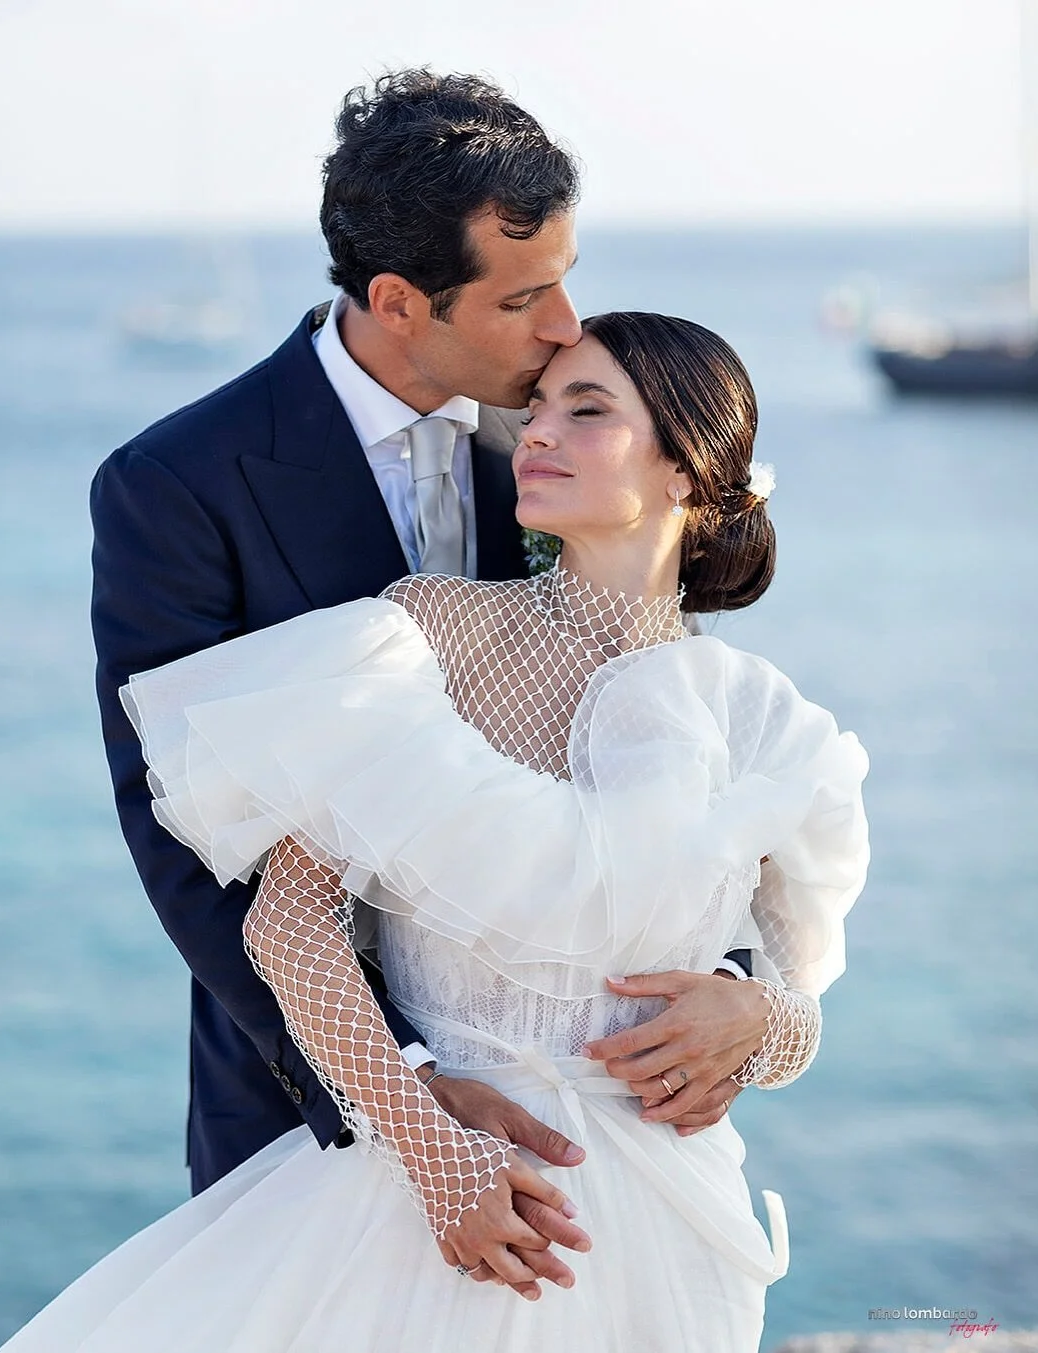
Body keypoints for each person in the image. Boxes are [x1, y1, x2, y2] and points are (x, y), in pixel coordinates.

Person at [0, 311, 869, 1352]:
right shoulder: (429, 632)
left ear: (686, 469)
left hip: (665, 1231)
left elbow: (793, 978)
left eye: (584, 412)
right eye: (538, 406)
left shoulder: (763, 716)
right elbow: (290, 926)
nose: (537, 432)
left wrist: (764, 1023)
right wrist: (429, 1148)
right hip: (433, 1197)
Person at [87, 67, 774, 1295]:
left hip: (606, 1135)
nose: (568, 324)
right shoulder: (179, 484)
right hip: (314, 1109)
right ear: (399, 300)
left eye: (568, 275)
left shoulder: (569, 440)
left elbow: (683, 739)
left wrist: (740, 992)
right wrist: (404, 1092)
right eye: (524, 296)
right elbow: (183, 841)